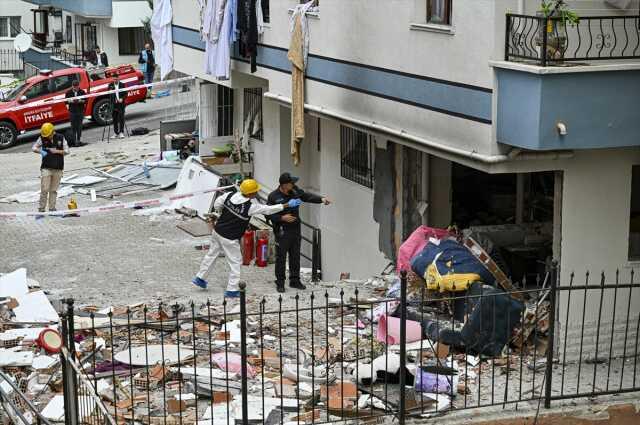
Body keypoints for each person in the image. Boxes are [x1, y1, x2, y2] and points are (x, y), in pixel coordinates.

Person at [192, 179, 302, 298]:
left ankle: (200, 277)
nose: (256, 193)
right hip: (230, 238)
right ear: (250, 193)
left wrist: (222, 212)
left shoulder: (229, 195)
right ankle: (232, 290)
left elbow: (217, 204)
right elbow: (267, 209)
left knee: (211, 255)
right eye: (255, 191)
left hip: (217, 231)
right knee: (235, 262)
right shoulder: (249, 207)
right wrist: (287, 205)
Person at [267, 173, 331, 293]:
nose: (294, 185)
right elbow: (268, 214)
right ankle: (280, 282)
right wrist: (281, 218)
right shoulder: (273, 197)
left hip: (295, 229)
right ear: (285, 185)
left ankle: (295, 280)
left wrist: (321, 199)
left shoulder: (295, 191)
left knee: (295, 256)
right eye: (292, 183)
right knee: (281, 257)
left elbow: (306, 196)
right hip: (282, 230)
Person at [31, 123, 69, 213]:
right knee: (44, 189)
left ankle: (52, 208)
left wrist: (57, 151)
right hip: (46, 167)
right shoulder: (42, 138)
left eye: (48, 135)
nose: (47, 137)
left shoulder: (61, 137)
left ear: (52, 132)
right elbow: (34, 147)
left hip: (58, 168)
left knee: (53, 190)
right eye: (45, 135)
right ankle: (41, 209)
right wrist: (40, 151)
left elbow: (67, 151)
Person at [64, 80, 87, 147]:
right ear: (72, 86)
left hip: (80, 111)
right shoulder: (68, 92)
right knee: (73, 127)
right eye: (74, 87)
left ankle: (79, 140)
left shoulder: (82, 92)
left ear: (78, 86)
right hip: (72, 111)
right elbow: (66, 102)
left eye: (76, 87)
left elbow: (85, 100)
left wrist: (79, 101)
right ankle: (74, 141)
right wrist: (69, 105)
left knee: (79, 126)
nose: (75, 88)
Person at [108, 74, 128, 139]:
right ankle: (116, 133)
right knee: (115, 119)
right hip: (113, 104)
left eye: (116, 79)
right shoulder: (110, 85)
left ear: (118, 78)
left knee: (121, 118)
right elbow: (108, 95)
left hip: (121, 104)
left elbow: (126, 93)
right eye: (114, 79)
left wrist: (122, 98)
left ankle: (121, 132)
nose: (115, 80)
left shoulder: (122, 85)